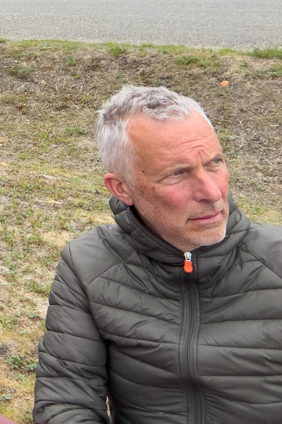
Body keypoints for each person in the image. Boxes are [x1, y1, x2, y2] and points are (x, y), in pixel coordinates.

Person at [33, 85, 282, 424]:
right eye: (177, 174)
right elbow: (66, 402)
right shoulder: (89, 266)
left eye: (214, 163)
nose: (211, 192)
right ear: (122, 188)